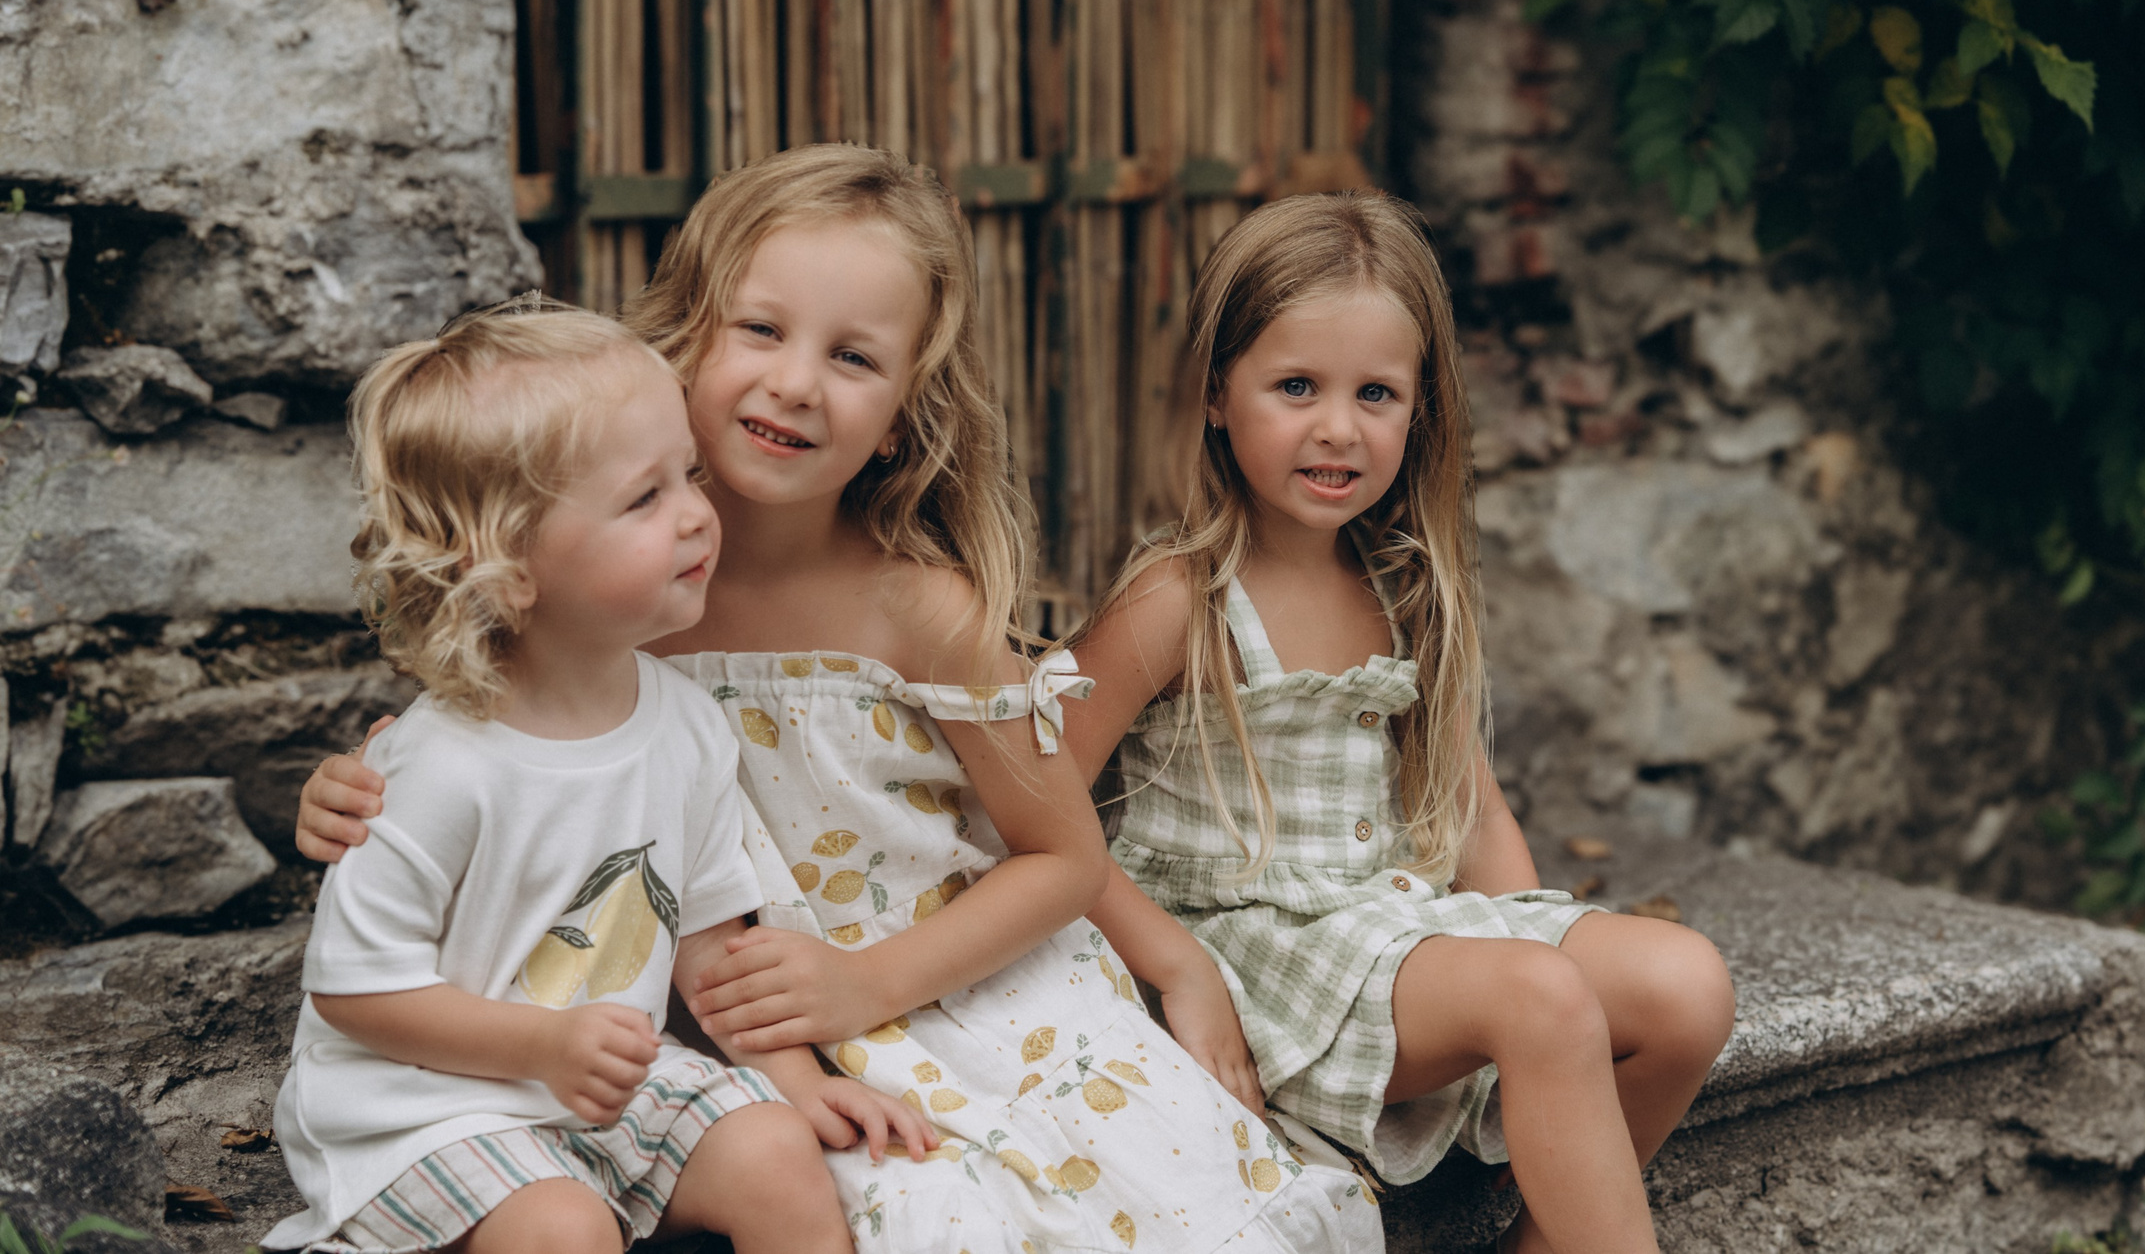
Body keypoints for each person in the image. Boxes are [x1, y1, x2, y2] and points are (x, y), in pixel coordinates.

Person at [298, 147, 1385, 1254]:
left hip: (935, 984)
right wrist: (350, 787)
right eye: (760, 331)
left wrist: (881, 983)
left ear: (907, 408)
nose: (797, 383)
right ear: (684, 339)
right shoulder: (607, 571)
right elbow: (485, 733)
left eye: (854, 356)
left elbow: (1059, 853)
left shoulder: (916, 608)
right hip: (712, 1020)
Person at [1061, 193, 1736, 1254]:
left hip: (1385, 935)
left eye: (1376, 393)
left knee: (1685, 986)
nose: (1338, 426)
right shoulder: (1180, 599)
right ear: (1213, 394)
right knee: (1541, 1002)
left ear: (1420, 410)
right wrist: (1174, 971)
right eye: (1295, 387)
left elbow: (1472, 812)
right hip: (1254, 957)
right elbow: (1038, 796)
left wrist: (1534, 934)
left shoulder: (1404, 586)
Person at [264, 300, 908, 1254]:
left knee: (774, 1150)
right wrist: (545, 1049)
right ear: (512, 570)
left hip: (602, 1081)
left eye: (687, 473)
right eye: (644, 498)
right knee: (562, 1227)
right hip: (426, 1101)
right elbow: (354, 992)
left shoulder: (686, 725)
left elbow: (709, 947)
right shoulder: (437, 762)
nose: (698, 511)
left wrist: (804, 1086)